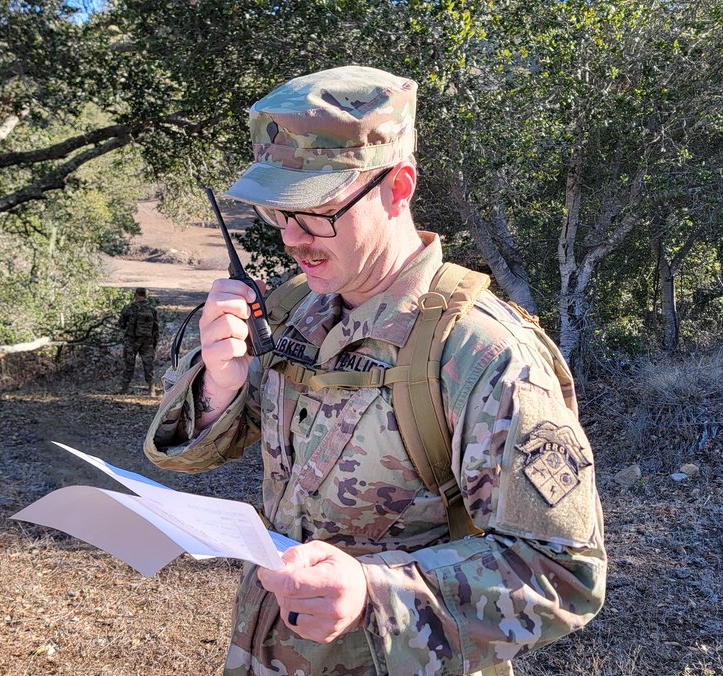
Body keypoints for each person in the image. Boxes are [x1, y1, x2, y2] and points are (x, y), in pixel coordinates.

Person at [144, 65, 606, 675]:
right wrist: (219, 385)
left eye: (318, 210)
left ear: (398, 187)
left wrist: (372, 592)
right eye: (280, 212)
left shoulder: (482, 353)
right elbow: (190, 455)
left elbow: (563, 572)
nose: (294, 238)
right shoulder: (294, 313)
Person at [118, 287, 159, 395]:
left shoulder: (129, 307)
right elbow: (156, 327)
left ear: (136, 294)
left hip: (131, 340)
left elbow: (121, 324)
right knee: (149, 365)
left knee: (129, 365)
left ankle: (124, 389)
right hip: (147, 341)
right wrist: (154, 342)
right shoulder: (152, 309)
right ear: (145, 295)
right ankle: (152, 390)